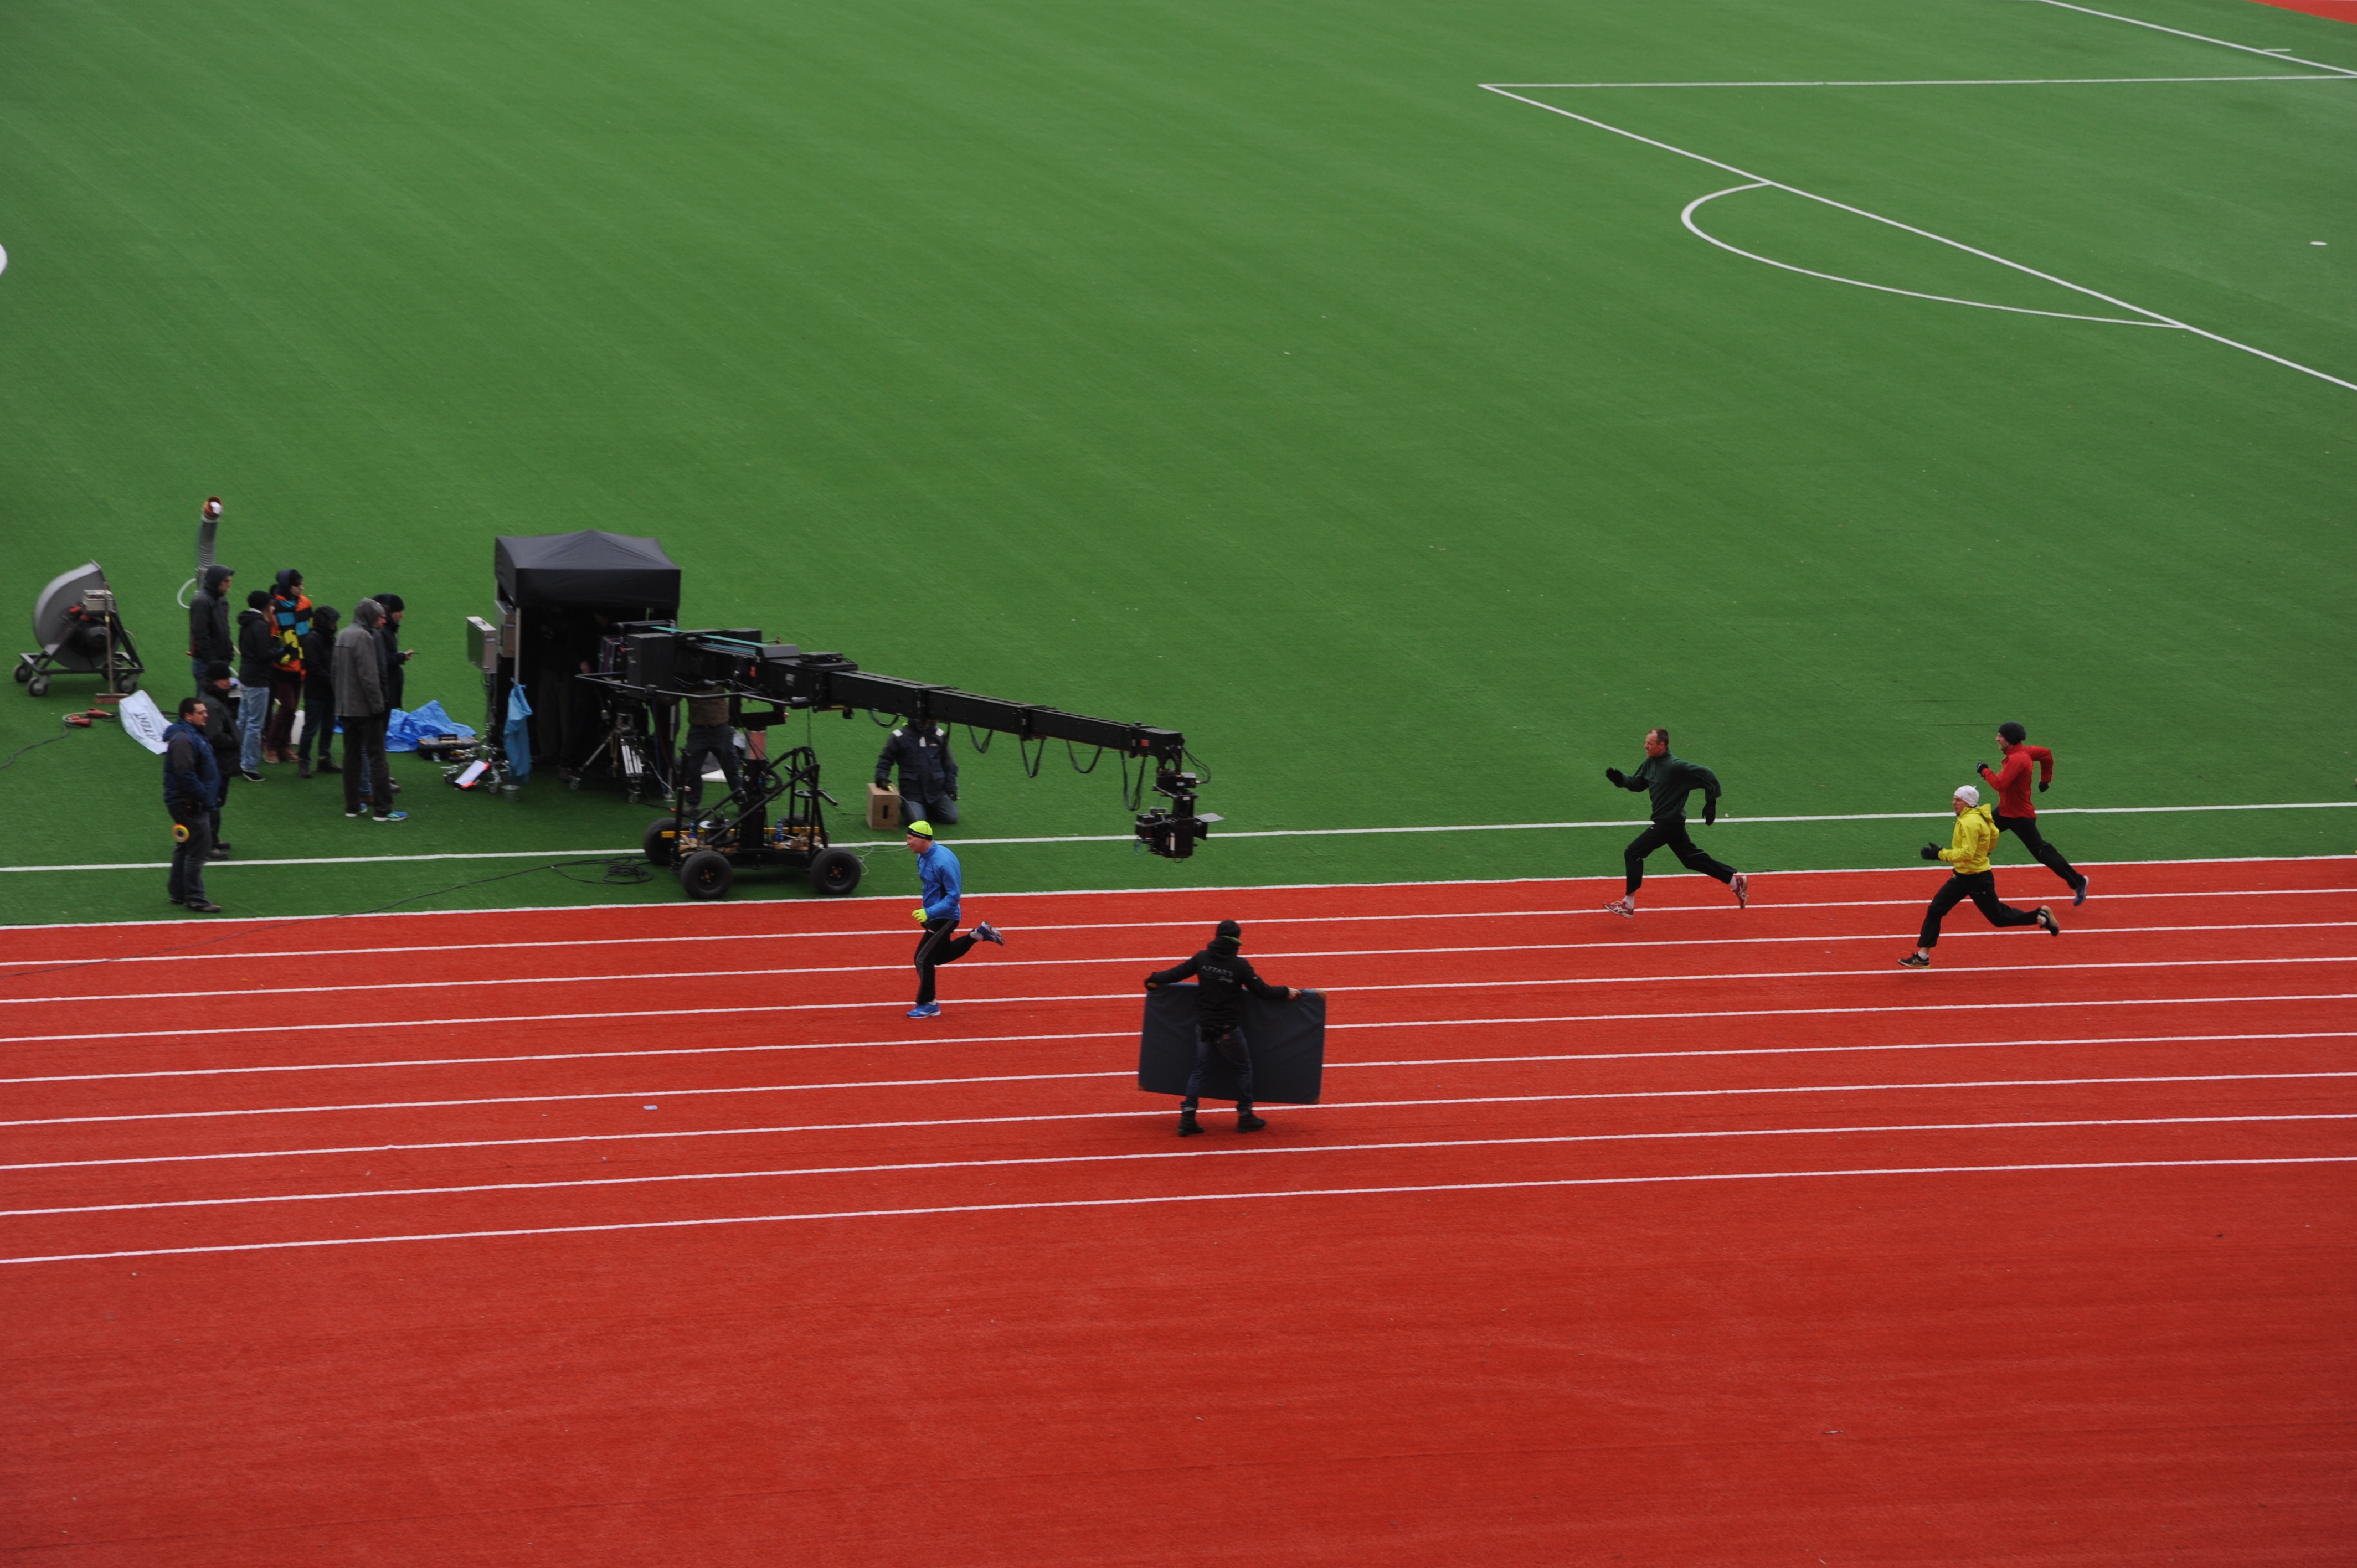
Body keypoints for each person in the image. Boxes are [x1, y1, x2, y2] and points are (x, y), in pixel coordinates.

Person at [1145, 919, 1315, 1137]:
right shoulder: (1240, 966)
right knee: (1243, 1067)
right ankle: (1245, 1116)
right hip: (1227, 1030)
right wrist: (1286, 991)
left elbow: (1175, 974)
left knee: (1200, 1069)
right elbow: (1262, 992)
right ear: (1237, 941)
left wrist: (1153, 979)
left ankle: (1187, 1117)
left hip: (1204, 1028)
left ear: (1217, 937)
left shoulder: (1202, 958)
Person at [1901, 783, 2060, 967]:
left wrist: (1939, 854)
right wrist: (1984, 852)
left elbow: (1967, 854)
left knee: (1999, 918)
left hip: (1976, 878)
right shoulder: (1980, 816)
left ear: (1968, 802)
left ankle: (2040, 917)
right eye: (1954, 799)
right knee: (1936, 909)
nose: (1954, 803)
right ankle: (1923, 956)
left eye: (1958, 800)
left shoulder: (1969, 822)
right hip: (1963, 875)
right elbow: (1994, 834)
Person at [1601, 728, 1748, 915]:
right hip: (1670, 823)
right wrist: (1621, 780)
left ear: (1661, 746)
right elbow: (1638, 784)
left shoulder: (1675, 767)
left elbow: (1708, 775)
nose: (1645, 746)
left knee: (1633, 852)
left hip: (1669, 822)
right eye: (1646, 742)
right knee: (1690, 859)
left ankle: (1628, 904)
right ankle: (1735, 882)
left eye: (1650, 744)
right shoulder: (1649, 763)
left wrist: (1711, 802)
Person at [1978, 721, 2088, 907]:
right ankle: (1972, 879)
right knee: (1978, 836)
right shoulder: (2025, 752)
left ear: (2010, 740)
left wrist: (1984, 771)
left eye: (2001, 736)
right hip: (2005, 812)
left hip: (2020, 817)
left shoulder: (2017, 760)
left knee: (2042, 852)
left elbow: (2000, 784)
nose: (1997, 739)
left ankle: (2078, 882)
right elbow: (2046, 755)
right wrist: (2045, 780)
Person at [903, 820, 1002, 1018]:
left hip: (946, 916)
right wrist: (926, 911)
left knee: (922, 958)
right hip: (934, 914)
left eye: (910, 838)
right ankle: (977, 935)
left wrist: (930, 913)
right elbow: (931, 888)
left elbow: (953, 897)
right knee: (937, 957)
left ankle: (929, 1003)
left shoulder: (943, 862)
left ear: (922, 839)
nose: (908, 843)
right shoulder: (922, 857)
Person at [334, 599, 405, 822]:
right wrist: (378, 706)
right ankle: (383, 810)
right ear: (369, 616)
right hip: (366, 710)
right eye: (379, 617)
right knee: (377, 758)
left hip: (346, 709)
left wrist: (341, 702)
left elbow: (335, 672)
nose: (383, 621)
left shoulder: (343, 635)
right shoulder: (364, 637)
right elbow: (369, 677)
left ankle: (352, 806)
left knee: (351, 757)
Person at [163, 696, 223, 912]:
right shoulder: (184, 740)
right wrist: (203, 796)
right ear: (188, 716)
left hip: (187, 801)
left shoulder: (191, 735)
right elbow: (185, 775)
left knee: (185, 846)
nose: (206, 715)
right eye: (201, 712)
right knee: (197, 851)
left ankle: (178, 893)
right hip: (189, 803)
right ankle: (195, 898)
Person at [674, 682, 743, 832]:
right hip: (698, 730)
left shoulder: (717, 677)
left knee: (731, 768)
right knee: (691, 768)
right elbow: (671, 699)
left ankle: (742, 802)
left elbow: (737, 684)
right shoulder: (688, 680)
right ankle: (693, 803)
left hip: (721, 729)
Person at [877, 718, 959, 832]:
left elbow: (949, 764)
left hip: (936, 793)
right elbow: (885, 760)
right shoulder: (899, 736)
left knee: (952, 818)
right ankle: (907, 807)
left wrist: (951, 786)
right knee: (917, 821)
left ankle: (925, 808)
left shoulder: (939, 735)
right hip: (912, 794)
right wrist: (882, 778)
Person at [265, 570, 313, 764]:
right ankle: (271, 745)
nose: (302, 588)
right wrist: (282, 657)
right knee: (287, 707)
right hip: (283, 667)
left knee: (291, 709)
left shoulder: (305, 603)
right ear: (288, 586)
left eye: (302, 584)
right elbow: (271, 638)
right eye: (297, 585)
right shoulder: (275, 608)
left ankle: (284, 745)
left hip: (301, 665)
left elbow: (310, 630)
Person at [195, 663, 241, 856]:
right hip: (217, 763)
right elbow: (214, 736)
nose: (228, 682)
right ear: (215, 680)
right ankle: (208, 845)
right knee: (213, 803)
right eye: (225, 679)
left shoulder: (212, 699)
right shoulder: (213, 704)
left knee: (215, 802)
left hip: (217, 762)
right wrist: (234, 740)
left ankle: (212, 839)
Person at [233, 589, 277, 780]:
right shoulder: (261, 625)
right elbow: (264, 655)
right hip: (258, 681)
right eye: (271, 605)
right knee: (254, 724)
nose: (273, 609)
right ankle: (249, 766)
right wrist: (278, 649)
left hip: (245, 677)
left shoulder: (247, 622)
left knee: (243, 720)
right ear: (264, 606)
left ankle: (237, 758)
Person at [296, 604, 343, 778]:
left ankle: (324, 759)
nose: (335, 625)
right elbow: (314, 667)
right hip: (316, 693)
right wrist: (333, 681)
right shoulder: (312, 640)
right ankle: (304, 761)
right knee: (311, 728)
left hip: (329, 692)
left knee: (329, 727)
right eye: (332, 622)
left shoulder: (330, 639)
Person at [186, 563, 234, 683]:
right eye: (226, 581)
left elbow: (224, 629)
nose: (230, 585)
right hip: (207, 666)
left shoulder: (221, 600)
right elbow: (201, 636)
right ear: (216, 581)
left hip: (219, 662)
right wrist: (213, 662)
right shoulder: (202, 602)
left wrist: (228, 654)